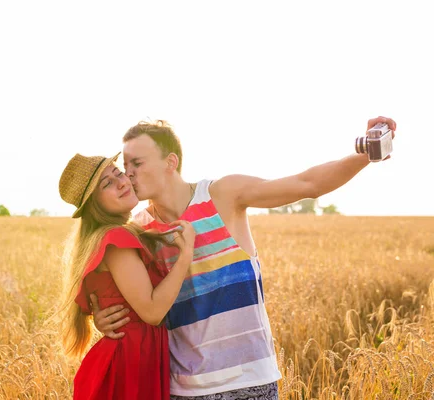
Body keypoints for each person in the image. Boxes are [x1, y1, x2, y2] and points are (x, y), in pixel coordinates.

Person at [91, 117, 397, 399]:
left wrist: (367, 153)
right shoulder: (139, 231)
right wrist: (100, 320)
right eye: (125, 164)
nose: (127, 173)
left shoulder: (223, 195)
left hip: (251, 383)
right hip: (185, 390)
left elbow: (308, 184)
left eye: (137, 163)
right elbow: (131, 298)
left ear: (170, 162)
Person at [57, 151, 197, 399]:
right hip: (129, 365)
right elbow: (152, 313)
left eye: (117, 173)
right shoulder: (115, 239)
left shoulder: (116, 234)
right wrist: (185, 255)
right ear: (94, 205)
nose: (122, 181)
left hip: (131, 357)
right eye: (107, 183)